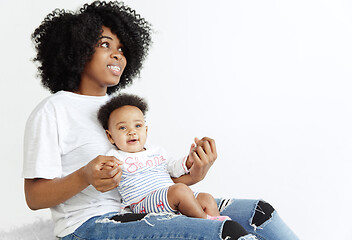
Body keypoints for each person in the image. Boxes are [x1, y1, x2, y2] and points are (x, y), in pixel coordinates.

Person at [23, 1, 299, 239]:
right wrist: (85, 175)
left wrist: (193, 174)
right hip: (88, 226)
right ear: (78, 50)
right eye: (105, 44)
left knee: (259, 213)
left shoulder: (121, 109)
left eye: (122, 47)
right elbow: (34, 197)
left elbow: (145, 180)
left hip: (144, 207)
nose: (118, 54)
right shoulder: (53, 110)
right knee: (224, 233)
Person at [97, 93, 231, 221]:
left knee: (207, 199)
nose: (132, 132)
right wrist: (108, 170)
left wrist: (190, 159)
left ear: (146, 130)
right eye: (122, 128)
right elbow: (107, 174)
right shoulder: (115, 156)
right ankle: (206, 223)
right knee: (180, 190)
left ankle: (217, 229)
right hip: (142, 203)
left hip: (169, 197)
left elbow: (174, 168)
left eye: (138, 126)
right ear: (110, 136)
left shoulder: (157, 151)